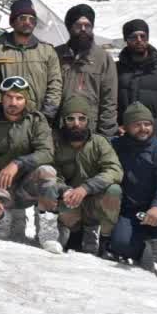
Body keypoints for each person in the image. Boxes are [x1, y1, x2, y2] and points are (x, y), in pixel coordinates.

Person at [0, 76, 61, 252]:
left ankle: (47, 232)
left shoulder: (36, 120)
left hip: (26, 187)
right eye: (9, 97)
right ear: (2, 98)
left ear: (26, 100)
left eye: (19, 98)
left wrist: (18, 163)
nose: (13, 102)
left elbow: (47, 152)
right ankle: (2, 218)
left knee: (47, 171)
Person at [110, 103, 157, 280]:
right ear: (126, 126)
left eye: (147, 124)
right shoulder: (116, 146)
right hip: (131, 212)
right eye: (137, 124)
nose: (143, 129)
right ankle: (145, 249)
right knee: (120, 245)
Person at [51, 96, 123, 254]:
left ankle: (105, 239)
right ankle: (75, 234)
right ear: (64, 121)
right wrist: (65, 190)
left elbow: (114, 170)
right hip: (69, 200)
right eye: (71, 119)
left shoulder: (99, 143)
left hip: (94, 200)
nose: (76, 123)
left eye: (81, 118)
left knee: (114, 190)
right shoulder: (55, 144)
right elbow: (51, 173)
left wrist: (86, 188)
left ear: (88, 120)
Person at [0, 0, 62, 120]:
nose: (27, 22)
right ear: (13, 22)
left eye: (31, 19)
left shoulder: (47, 51)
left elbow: (55, 83)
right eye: (22, 18)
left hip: (38, 118)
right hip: (7, 116)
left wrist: (47, 113)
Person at [55, 4, 118, 136]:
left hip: (91, 131)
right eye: (78, 25)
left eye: (87, 25)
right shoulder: (55, 55)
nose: (83, 29)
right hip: (59, 130)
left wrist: (105, 135)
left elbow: (109, 101)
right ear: (70, 27)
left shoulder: (103, 59)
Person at [115, 19, 157, 144]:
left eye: (143, 36)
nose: (139, 40)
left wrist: (155, 128)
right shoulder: (116, 69)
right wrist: (116, 127)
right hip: (123, 139)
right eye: (133, 36)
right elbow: (109, 102)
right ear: (126, 40)